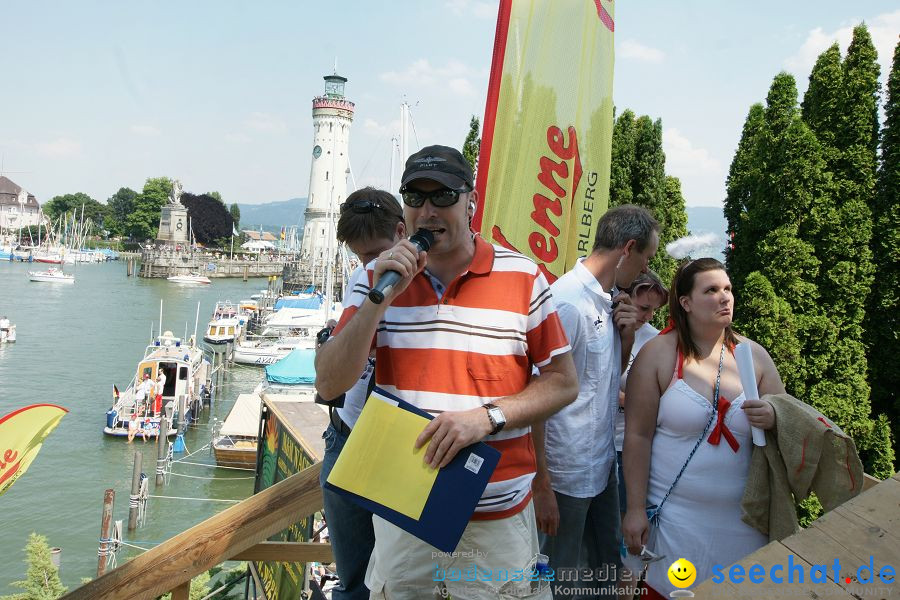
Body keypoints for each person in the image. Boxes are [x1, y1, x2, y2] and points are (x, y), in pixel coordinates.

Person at [315, 145, 578, 600]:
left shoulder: (524, 277)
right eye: (415, 198)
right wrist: (381, 298)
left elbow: (563, 382)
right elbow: (329, 383)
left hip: (495, 523)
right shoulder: (374, 279)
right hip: (405, 509)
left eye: (443, 197)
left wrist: (486, 417)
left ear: (470, 203)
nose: (427, 210)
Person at [622, 258, 784, 597]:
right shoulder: (657, 354)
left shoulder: (754, 356)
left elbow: (789, 421)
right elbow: (637, 436)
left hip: (745, 523)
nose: (724, 297)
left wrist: (772, 416)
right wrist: (635, 510)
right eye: (711, 290)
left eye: (727, 289)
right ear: (686, 302)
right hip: (675, 522)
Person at [533, 205, 659, 598]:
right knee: (560, 584)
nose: (644, 271)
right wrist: (542, 482)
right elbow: (537, 394)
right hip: (565, 474)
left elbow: (598, 383)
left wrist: (623, 339)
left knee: (602, 579)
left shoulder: (605, 298)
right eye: (646, 260)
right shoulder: (568, 301)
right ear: (629, 248)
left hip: (600, 469)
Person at [317, 186, 407, 600]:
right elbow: (331, 377)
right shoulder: (364, 278)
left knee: (401, 578)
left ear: (403, 234)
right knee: (354, 578)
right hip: (349, 434)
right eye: (359, 257)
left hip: (397, 447)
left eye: (376, 253)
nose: (369, 265)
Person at [614, 272, 668, 517]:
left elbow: (662, 399)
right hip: (588, 443)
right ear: (625, 298)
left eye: (653, 311)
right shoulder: (603, 326)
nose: (648, 317)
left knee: (623, 519)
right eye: (644, 307)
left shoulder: (655, 341)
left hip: (626, 446)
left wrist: (627, 399)